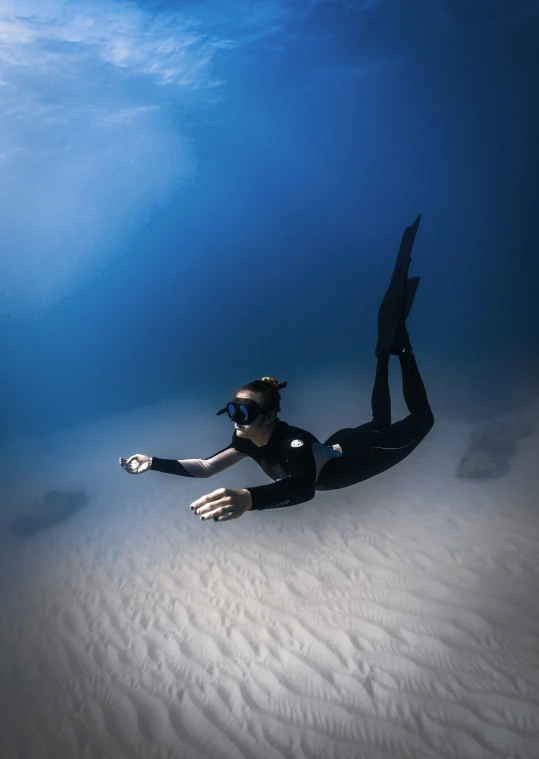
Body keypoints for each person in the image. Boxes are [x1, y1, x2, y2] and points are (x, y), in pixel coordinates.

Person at [120, 215, 434, 522]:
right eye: (231, 411)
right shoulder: (246, 441)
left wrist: (251, 499)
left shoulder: (294, 444)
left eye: (243, 413)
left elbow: (303, 489)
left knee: (423, 419)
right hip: (341, 445)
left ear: (269, 416)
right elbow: (205, 467)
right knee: (380, 421)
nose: (235, 421)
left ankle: (399, 350)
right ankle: (384, 353)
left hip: (364, 454)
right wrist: (153, 462)